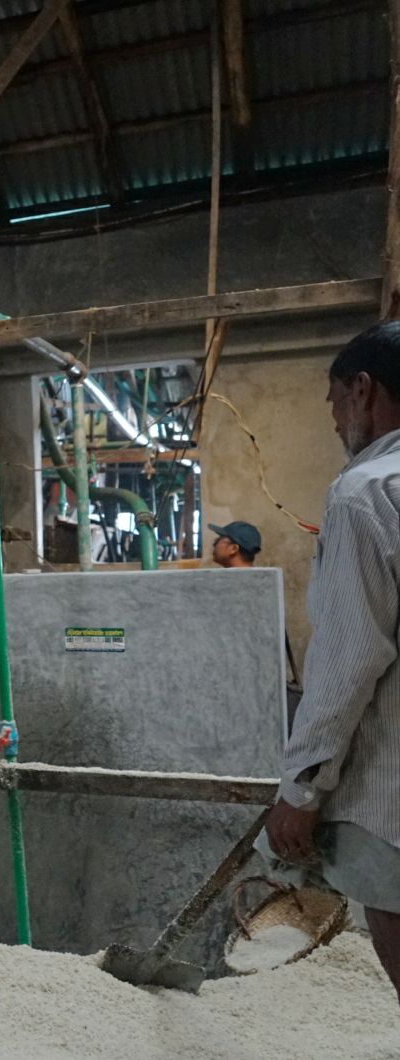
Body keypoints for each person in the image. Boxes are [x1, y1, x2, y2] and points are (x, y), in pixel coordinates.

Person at [261, 321, 400, 1004]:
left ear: (363, 390)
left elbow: (349, 659)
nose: (335, 422)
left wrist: (301, 789)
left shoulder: (364, 494)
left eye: (334, 404)